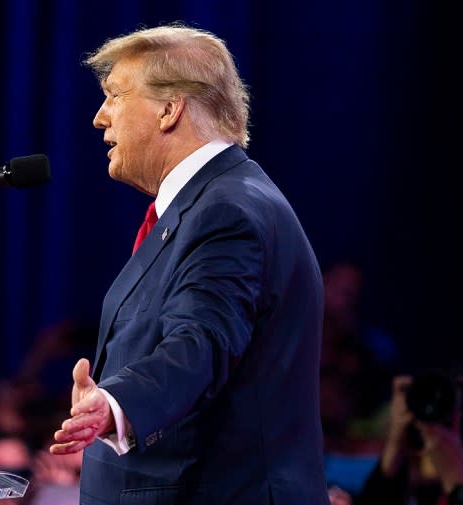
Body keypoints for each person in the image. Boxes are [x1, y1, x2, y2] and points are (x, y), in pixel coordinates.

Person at [49, 24, 328, 504]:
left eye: (115, 95)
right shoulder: (211, 203)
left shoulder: (228, 212)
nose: (99, 118)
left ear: (169, 109)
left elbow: (204, 341)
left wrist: (119, 402)